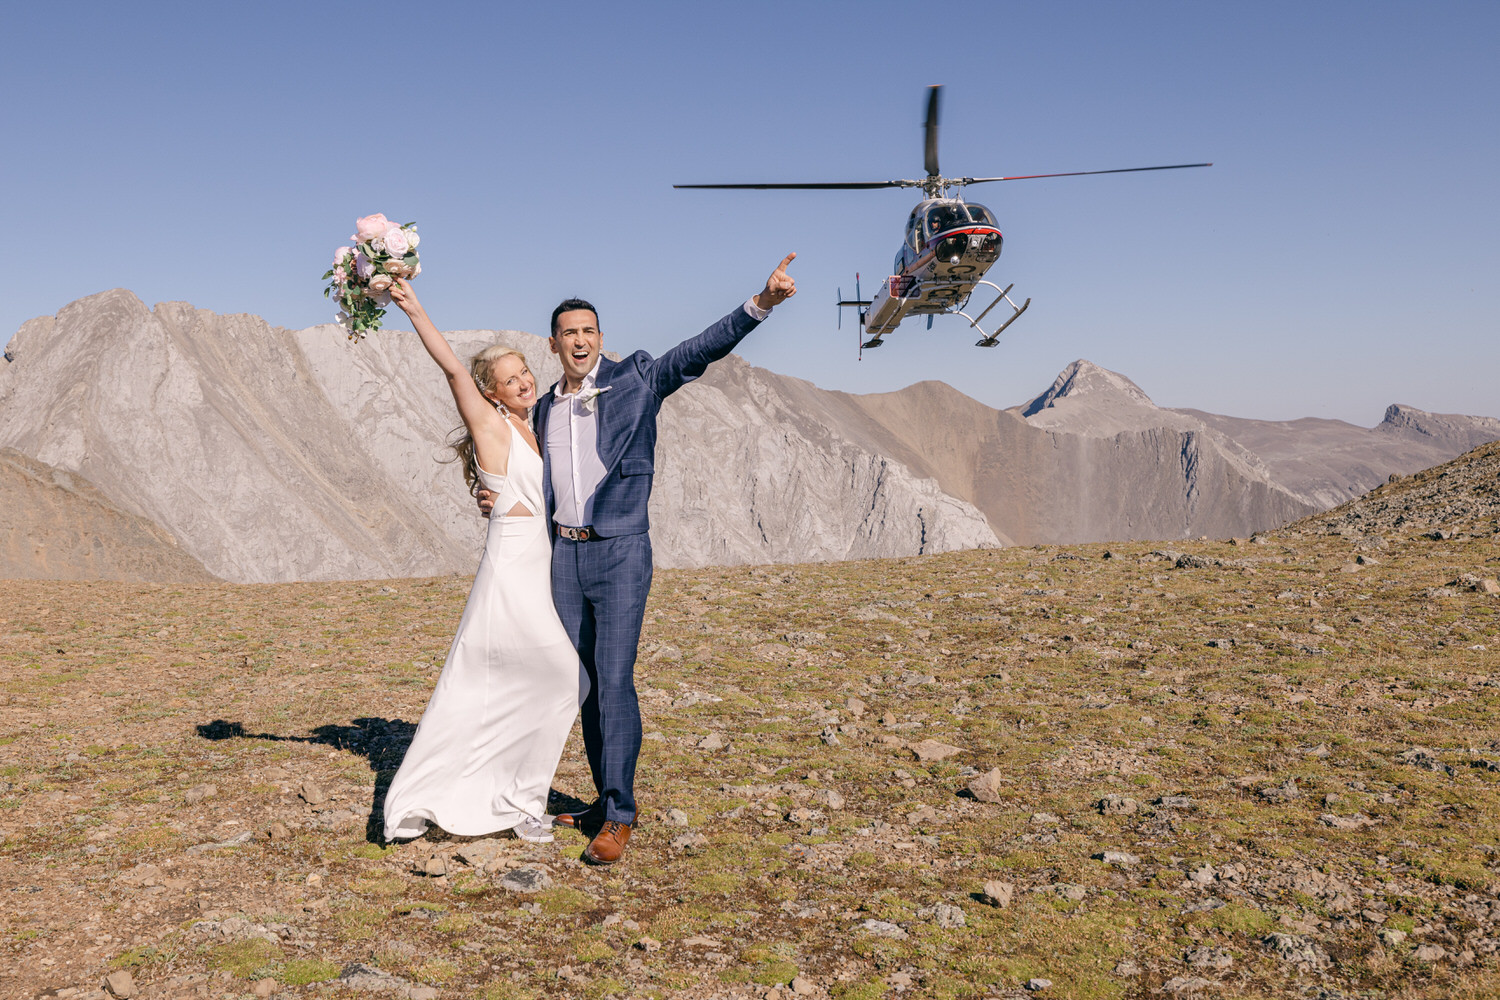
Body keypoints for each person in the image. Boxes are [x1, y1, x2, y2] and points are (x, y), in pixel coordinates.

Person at [478, 253, 798, 865]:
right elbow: (519, 471)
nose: (580, 340)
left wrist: (762, 303)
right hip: (562, 559)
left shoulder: (637, 379)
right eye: (569, 332)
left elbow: (697, 351)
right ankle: (600, 799)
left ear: (601, 338)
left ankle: (620, 813)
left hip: (621, 555)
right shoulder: (542, 408)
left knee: (615, 680)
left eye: (589, 331)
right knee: (581, 683)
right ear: (553, 343)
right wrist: (490, 491)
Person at [380, 279, 583, 845]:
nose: (524, 382)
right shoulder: (492, 423)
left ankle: (517, 796)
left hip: (541, 564)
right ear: (490, 393)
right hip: (511, 567)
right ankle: (504, 800)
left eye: (525, 372)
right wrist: (412, 306)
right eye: (510, 378)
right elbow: (450, 370)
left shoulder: (534, 421)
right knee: (549, 680)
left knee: (545, 682)